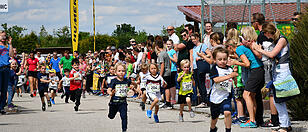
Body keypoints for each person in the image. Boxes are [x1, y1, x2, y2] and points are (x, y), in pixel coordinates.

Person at [254, 22, 293, 132]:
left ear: (268, 32)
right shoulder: (277, 40)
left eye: (265, 34)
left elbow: (272, 54)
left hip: (283, 71)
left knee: (279, 99)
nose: (265, 37)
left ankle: (284, 126)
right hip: (278, 70)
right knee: (278, 99)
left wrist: (258, 49)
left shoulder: (282, 39)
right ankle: (286, 124)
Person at [229, 26, 264, 128]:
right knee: (252, 96)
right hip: (260, 70)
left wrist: (236, 62)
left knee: (246, 95)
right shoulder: (250, 46)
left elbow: (247, 63)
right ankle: (254, 119)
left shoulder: (240, 49)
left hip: (255, 71)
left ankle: (252, 120)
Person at [209, 47, 238, 132]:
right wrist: (229, 76)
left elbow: (234, 81)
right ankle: (212, 128)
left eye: (224, 59)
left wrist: (234, 76)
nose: (222, 61)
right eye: (220, 59)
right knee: (214, 117)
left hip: (226, 96)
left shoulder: (229, 69)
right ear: (215, 59)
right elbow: (216, 80)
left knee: (227, 112)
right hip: (215, 96)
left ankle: (228, 130)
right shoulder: (214, 68)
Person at [107, 62, 134, 132]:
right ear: (115, 72)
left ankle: (124, 130)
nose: (121, 72)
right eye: (119, 71)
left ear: (125, 72)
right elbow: (109, 89)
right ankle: (111, 112)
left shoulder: (127, 81)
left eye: (123, 71)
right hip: (114, 103)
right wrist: (111, 93)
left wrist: (134, 87)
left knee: (124, 117)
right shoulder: (113, 81)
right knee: (111, 116)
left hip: (123, 102)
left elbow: (132, 86)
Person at [191, 33, 213, 108]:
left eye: (194, 39)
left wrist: (201, 57)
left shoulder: (202, 46)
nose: (193, 41)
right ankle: (203, 100)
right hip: (195, 67)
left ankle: (205, 101)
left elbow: (209, 54)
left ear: (197, 38)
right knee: (198, 84)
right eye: (192, 39)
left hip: (200, 66)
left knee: (201, 84)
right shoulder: (194, 48)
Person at [156, 40, 172, 109]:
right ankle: (166, 101)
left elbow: (162, 65)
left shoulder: (161, 54)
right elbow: (170, 63)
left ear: (156, 46)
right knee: (167, 87)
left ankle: (168, 103)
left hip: (165, 73)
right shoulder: (165, 53)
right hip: (168, 71)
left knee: (166, 88)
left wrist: (160, 75)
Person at [166, 39, 177, 105]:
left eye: (169, 44)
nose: (168, 45)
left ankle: (173, 99)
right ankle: (169, 99)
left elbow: (176, 60)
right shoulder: (167, 51)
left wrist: (169, 57)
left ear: (172, 45)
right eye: (167, 44)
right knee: (169, 85)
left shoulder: (173, 51)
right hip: (168, 69)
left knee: (172, 85)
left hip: (173, 69)